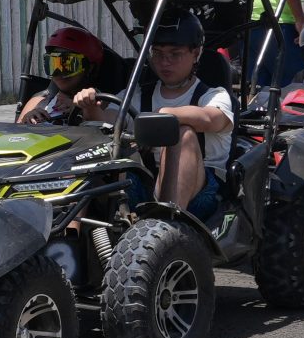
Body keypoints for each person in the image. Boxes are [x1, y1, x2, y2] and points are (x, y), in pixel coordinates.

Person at [73, 11, 235, 217]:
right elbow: (109, 122)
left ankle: (167, 224)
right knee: (98, 152)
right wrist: (90, 106)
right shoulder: (140, 94)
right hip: (147, 186)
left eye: (175, 54)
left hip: (202, 194)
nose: (165, 62)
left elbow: (211, 119)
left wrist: (166, 114)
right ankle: (70, 238)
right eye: (158, 53)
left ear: (196, 54)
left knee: (182, 132)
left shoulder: (213, 95)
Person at [18, 23, 125, 123]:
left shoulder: (103, 104)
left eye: (68, 64)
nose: (58, 72)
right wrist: (26, 121)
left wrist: (82, 109)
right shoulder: (38, 102)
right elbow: (13, 136)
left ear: (90, 68)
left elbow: (107, 127)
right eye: (53, 64)